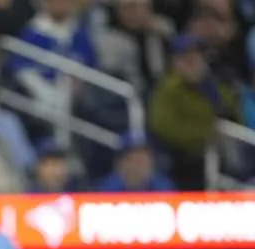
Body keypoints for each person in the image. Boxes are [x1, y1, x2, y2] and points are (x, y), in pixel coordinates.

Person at [149, 34, 239, 190]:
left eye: (196, 55)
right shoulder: (168, 89)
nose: (193, 60)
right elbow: (163, 125)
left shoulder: (215, 86)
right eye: (185, 57)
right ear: (175, 61)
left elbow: (234, 114)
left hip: (222, 153)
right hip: (186, 158)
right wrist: (205, 136)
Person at [98, 132, 176, 192]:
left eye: (144, 158)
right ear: (120, 163)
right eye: (134, 159)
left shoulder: (165, 189)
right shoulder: (104, 190)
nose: (139, 165)